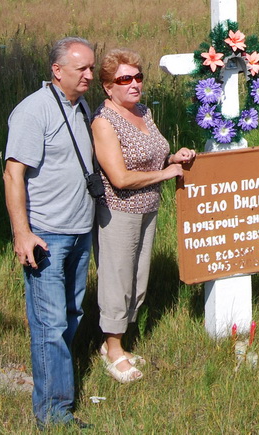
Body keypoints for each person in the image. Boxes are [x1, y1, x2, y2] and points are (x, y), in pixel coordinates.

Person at [3, 36, 98, 428]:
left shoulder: (81, 107)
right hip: (47, 236)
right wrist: (22, 234)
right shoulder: (33, 111)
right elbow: (13, 174)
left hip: (79, 231)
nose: (90, 75)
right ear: (57, 71)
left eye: (92, 67)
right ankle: (54, 414)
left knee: (71, 315)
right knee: (50, 324)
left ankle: (56, 392)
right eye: (82, 69)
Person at [90, 49, 196, 383]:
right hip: (118, 211)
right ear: (108, 87)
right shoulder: (104, 122)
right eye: (125, 79)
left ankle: (117, 344)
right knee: (117, 279)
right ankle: (112, 349)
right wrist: (167, 175)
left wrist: (172, 159)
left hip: (148, 207)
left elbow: (152, 157)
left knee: (137, 278)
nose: (134, 84)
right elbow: (119, 178)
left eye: (138, 77)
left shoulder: (143, 112)